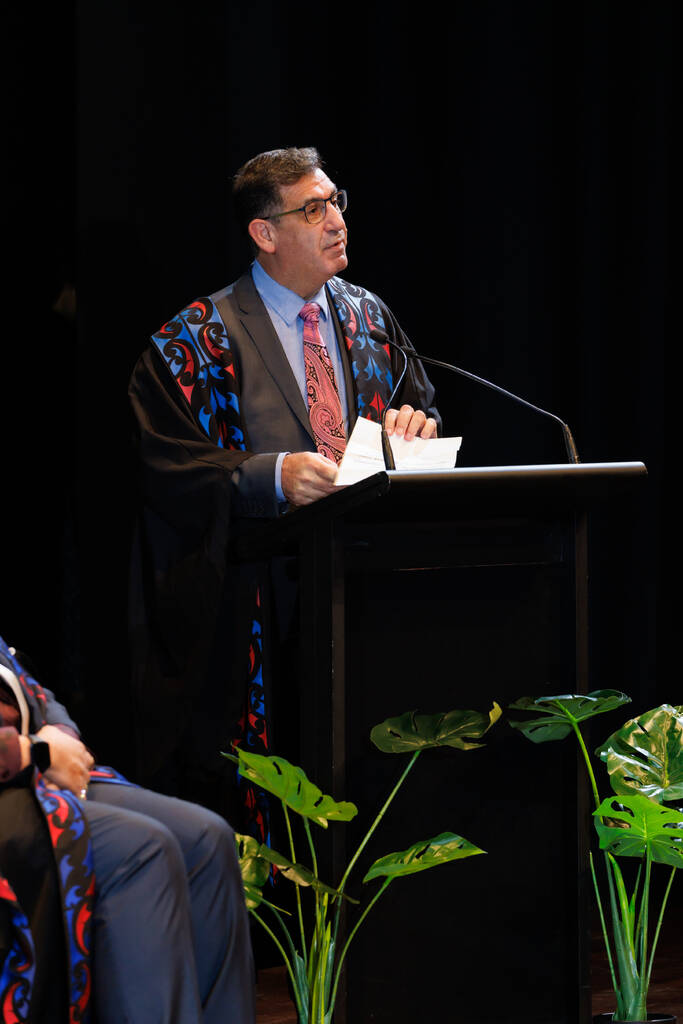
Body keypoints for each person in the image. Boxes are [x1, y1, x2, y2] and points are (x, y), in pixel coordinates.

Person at [127, 146, 441, 828]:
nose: (337, 221)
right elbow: (167, 465)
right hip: (258, 611)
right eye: (313, 210)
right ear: (264, 233)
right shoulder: (195, 341)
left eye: (336, 202)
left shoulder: (369, 319)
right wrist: (272, 474)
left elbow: (416, 410)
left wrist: (415, 431)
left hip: (369, 596)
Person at [0, 635, 255, 1024]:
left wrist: (61, 735)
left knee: (205, 839)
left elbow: (23, 677)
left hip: (39, 767)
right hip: (12, 778)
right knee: (142, 851)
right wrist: (30, 750)